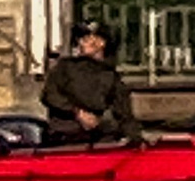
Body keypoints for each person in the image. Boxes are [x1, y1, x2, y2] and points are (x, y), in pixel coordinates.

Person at [41, 20, 144, 148]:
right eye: (81, 39)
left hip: (98, 139)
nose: (81, 43)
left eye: (87, 38)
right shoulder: (64, 67)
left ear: (101, 43)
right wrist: (77, 112)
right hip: (64, 138)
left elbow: (125, 115)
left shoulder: (110, 76)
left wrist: (137, 140)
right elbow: (50, 95)